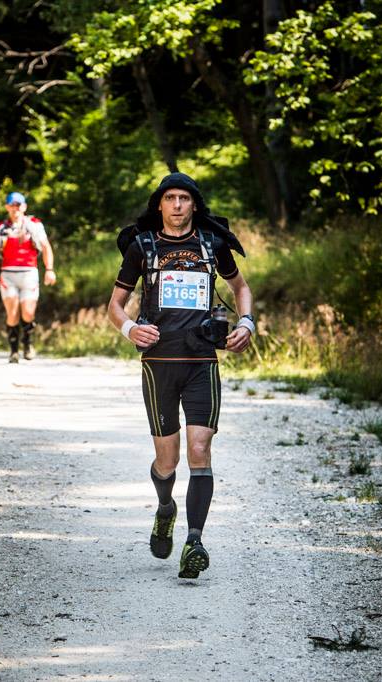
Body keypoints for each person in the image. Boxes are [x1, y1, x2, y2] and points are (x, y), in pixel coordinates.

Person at [106, 172, 255, 579]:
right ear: (159, 204)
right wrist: (130, 329)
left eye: (184, 198)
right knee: (167, 460)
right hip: (158, 366)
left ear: (194, 205)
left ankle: (195, 542)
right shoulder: (143, 247)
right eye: (169, 198)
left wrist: (247, 322)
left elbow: (240, 286)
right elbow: (115, 305)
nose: (176, 205)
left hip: (202, 363)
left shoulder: (211, 245)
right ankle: (165, 506)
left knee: (200, 449)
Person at [0, 191, 56, 362]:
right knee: (12, 313)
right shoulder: (0, 229)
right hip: (8, 275)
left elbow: (46, 247)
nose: (15, 208)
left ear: (24, 207)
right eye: (12, 205)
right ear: (7, 207)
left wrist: (49, 269)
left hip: (29, 273)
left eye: (18, 205)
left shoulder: (34, 225)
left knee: (28, 313)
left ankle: (28, 343)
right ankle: (14, 351)